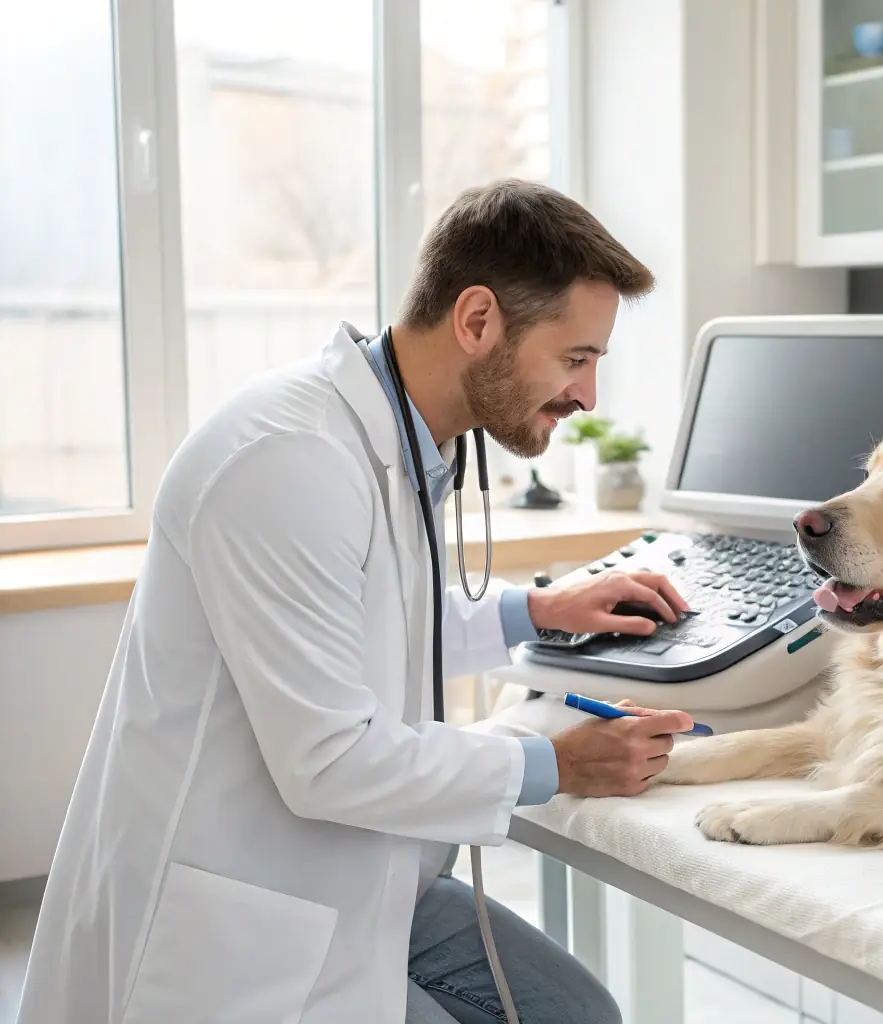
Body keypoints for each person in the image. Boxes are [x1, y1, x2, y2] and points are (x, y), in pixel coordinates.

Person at [17, 180, 696, 1024]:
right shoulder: (287, 458)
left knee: (578, 1016)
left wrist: (539, 610)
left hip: (370, 876)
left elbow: (366, 625)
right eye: (575, 359)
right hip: (246, 914)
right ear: (477, 320)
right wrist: (555, 764)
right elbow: (330, 758)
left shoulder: (399, 441)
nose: (588, 396)